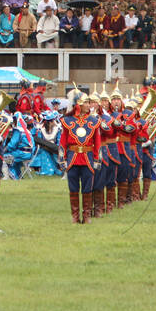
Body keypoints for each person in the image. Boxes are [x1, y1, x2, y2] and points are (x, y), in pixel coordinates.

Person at [59, 94, 101, 223]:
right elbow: (63, 142)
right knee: (73, 188)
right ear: (79, 105)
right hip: (73, 157)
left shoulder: (94, 121)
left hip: (87, 158)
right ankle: (75, 216)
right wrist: (62, 159)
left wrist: (96, 159)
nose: (89, 105)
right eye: (86, 103)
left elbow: (97, 142)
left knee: (87, 188)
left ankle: (86, 215)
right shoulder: (68, 120)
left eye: (89, 103)